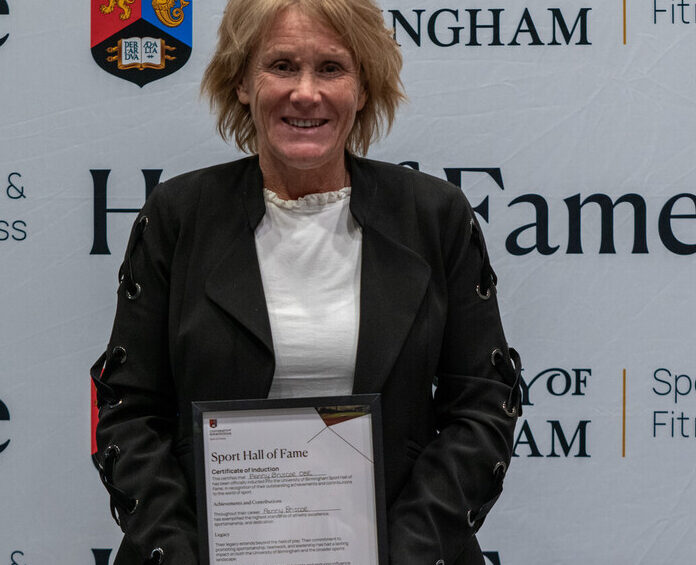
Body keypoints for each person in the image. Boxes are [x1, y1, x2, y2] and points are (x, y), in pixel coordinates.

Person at [90, 0, 522, 563]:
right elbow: (129, 410)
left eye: (332, 69)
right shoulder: (179, 215)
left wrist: (403, 551)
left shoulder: (433, 216)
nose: (306, 93)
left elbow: (482, 406)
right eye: (283, 65)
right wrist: (183, 553)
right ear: (243, 82)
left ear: (363, 88)